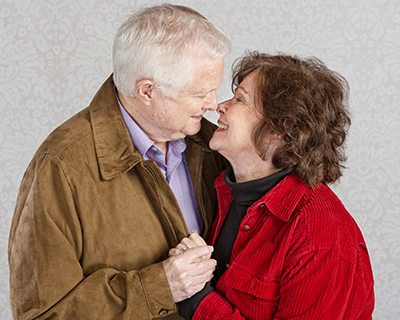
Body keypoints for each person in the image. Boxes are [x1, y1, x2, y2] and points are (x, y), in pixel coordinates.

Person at [8, 4, 231, 319]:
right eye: (199, 94)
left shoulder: (215, 145)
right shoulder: (61, 166)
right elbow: (41, 314)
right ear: (147, 91)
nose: (214, 104)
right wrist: (159, 287)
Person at [173, 52, 375, 319]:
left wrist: (197, 300)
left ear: (281, 129)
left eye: (240, 99)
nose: (219, 105)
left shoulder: (321, 236)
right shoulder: (227, 190)